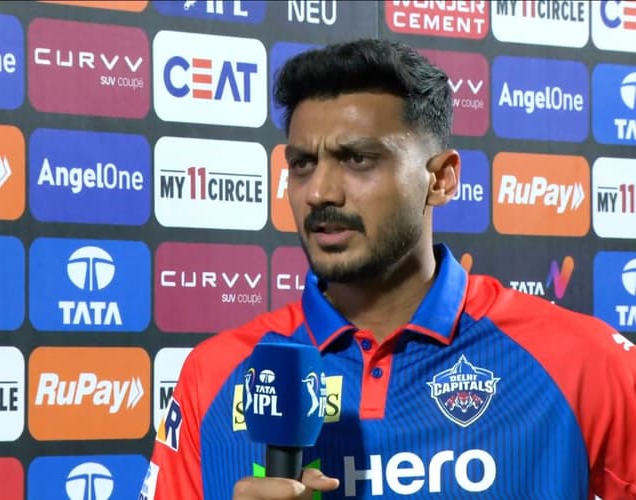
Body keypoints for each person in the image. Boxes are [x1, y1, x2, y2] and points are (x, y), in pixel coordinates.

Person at [140, 39, 636, 499]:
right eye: (303, 164)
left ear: (441, 179)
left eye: (357, 159)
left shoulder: (581, 361)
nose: (320, 192)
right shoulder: (214, 374)